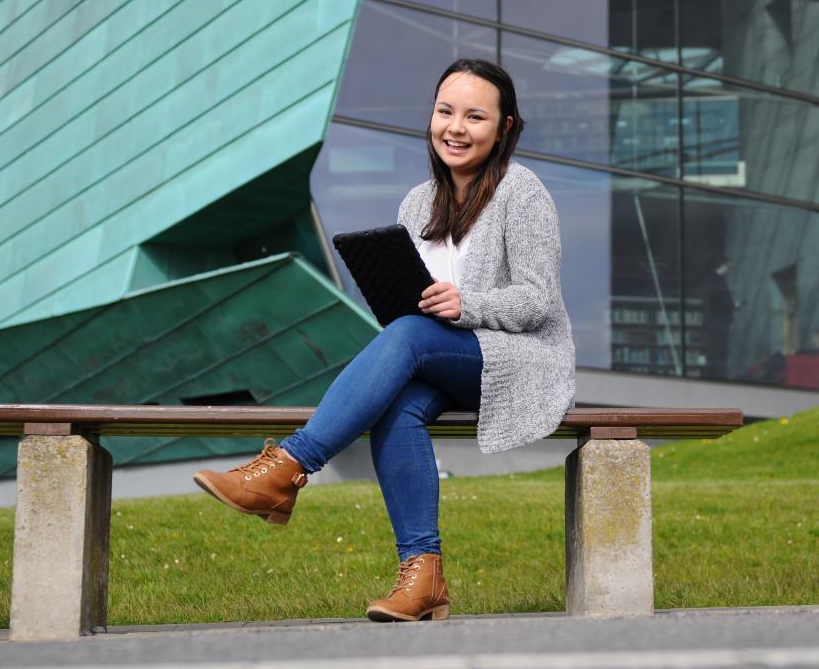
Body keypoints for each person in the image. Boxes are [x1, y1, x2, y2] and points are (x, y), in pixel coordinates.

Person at [193, 58, 576, 622]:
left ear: (505, 129)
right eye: (445, 111)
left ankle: (288, 468)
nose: (455, 127)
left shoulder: (522, 192)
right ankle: (422, 578)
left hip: (518, 360)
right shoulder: (418, 203)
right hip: (441, 357)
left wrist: (466, 305)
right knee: (397, 405)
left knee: (412, 336)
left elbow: (537, 299)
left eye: (475, 116)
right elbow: (415, 313)